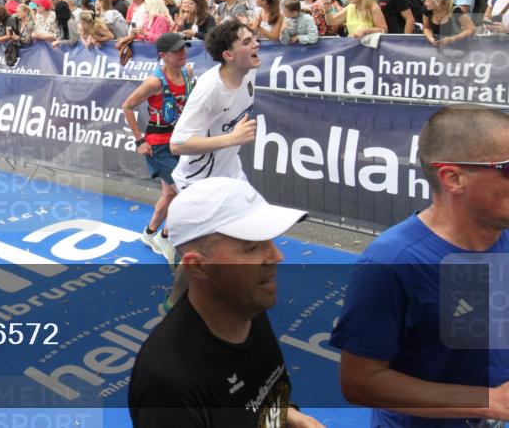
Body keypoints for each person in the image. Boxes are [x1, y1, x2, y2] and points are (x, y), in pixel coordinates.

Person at [330, 106, 509, 427]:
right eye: (507, 169)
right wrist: (485, 401)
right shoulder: (391, 263)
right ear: (453, 178)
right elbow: (360, 382)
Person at [128, 177, 322, 428]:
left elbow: (263, 400)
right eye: (252, 248)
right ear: (198, 266)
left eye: (270, 242)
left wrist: (292, 418)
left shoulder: (247, 310)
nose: (276, 256)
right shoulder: (168, 384)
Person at [121, 33, 194, 262]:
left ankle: (150, 232)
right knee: (183, 193)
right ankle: (165, 235)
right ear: (163, 56)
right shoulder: (154, 82)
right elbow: (127, 107)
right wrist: (139, 140)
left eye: (184, 48)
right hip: (159, 145)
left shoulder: (188, 72)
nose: (183, 53)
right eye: (178, 50)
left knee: (169, 192)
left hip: (181, 142)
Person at [169, 20, 259, 190]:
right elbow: (177, 145)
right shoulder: (209, 88)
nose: (256, 45)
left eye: (254, 39)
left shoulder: (248, 69)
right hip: (199, 182)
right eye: (247, 42)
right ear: (229, 55)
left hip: (232, 174)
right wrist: (232, 138)